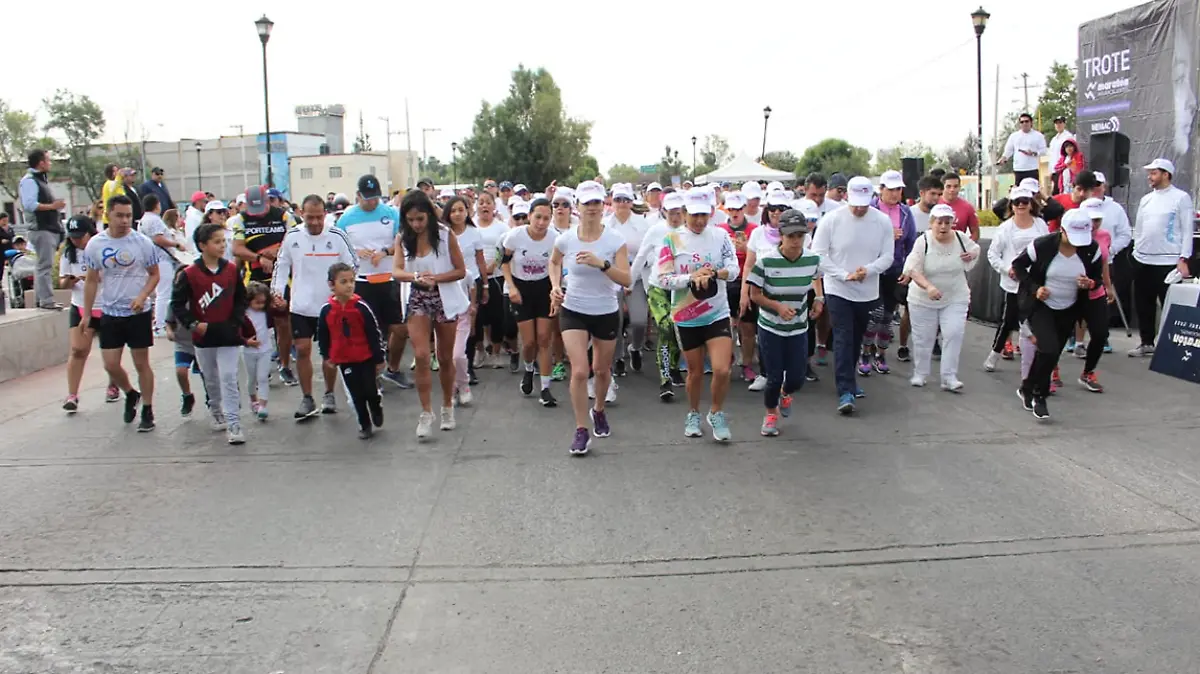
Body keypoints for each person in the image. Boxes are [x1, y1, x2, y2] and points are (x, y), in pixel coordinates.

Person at [548, 180, 631, 455]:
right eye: (587, 203)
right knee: (580, 371)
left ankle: (599, 410)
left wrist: (602, 264)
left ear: (602, 204)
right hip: (573, 310)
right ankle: (581, 429)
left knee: (601, 370)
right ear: (577, 207)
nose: (592, 208)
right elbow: (554, 261)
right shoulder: (566, 238)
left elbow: (626, 278)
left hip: (606, 310)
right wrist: (555, 286)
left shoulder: (615, 240)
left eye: (596, 203)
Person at [656, 187, 739, 442]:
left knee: (722, 369)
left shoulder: (720, 236)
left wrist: (714, 274)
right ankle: (693, 413)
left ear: (712, 212)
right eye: (694, 215)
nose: (700, 221)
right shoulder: (672, 239)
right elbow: (663, 278)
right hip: (686, 314)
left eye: (704, 215)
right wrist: (691, 278)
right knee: (694, 372)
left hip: (717, 312)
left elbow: (734, 268)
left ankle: (716, 412)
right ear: (683, 213)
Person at [809, 176, 894, 414]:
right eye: (855, 202)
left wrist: (868, 271)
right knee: (844, 336)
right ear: (846, 195)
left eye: (864, 203)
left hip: (867, 290)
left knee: (857, 337)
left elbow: (888, 256)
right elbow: (819, 254)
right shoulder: (832, 220)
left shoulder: (882, 221)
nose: (859, 208)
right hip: (838, 289)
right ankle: (845, 389)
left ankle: (850, 381)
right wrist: (843, 275)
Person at [271, 194, 358, 419]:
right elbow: (281, 267)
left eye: (319, 217)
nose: (315, 222)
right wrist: (277, 293)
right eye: (310, 217)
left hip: (330, 306)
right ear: (301, 213)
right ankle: (307, 397)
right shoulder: (292, 236)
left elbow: (353, 264)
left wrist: (344, 289)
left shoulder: (337, 235)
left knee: (330, 355)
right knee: (302, 349)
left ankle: (329, 393)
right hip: (301, 305)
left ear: (325, 215)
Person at [1012, 210, 1104, 419]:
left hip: (1070, 307)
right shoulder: (1042, 245)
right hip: (1041, 305)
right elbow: (1018, 266)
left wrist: (1090, 284)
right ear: (1062, 230)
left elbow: (1096, 277)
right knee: (1049, 348)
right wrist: (1035, 288)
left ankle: (1026, 387)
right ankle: (1040, 395)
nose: (1077, 244)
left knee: (1051, 353)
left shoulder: (1091, 249)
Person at [80, 194, 160, 431]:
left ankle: (147, 408)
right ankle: (130, 392)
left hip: (137, 312)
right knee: (111, 364)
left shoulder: (142, 243)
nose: (125, 220)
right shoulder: (96, 244)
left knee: (141, 363)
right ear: (109, 215)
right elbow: (91, 280)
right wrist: (86, 314)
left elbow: (155, 274)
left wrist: (143, 296)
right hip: (111, 312)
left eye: (129, 216)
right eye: (120, 216)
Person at [392, 191, 468, 439]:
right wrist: (416, 277)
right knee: (422, 355)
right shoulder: (403, 239)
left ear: (429, 216)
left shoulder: (445, 236)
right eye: (411, 219)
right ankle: (426, 412)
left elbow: (460, 270)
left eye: (420, 219)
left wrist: (436, 279)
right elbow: (396, 270)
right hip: (417, 298)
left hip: (444, 297)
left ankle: (447, 405)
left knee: (445, 358)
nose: (416, 224)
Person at [171, 222, 252, 445]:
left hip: (228, 334)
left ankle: (234, 422)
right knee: (211, 378)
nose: (221, 246)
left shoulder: (232, 270)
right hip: (203, 336)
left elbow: (241, 298)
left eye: (223, 241)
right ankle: (215, 408)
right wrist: (193, 324)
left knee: (228, 376)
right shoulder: (189, 274)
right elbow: (177, 304)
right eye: (216, 242)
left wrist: (235, 323)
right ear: (202, 245)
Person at [746, 209, 825, 437]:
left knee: (797, 378)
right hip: (771, 327)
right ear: (781, 234)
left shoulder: (812, 258)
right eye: (791, 236)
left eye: (800, 235)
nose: (795, 241)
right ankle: (770, 414)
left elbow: (816, 276)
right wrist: (778, 307)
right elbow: (755, 294)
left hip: (799, 327)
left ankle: (786, 393)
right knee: (773, 376)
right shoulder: (766, 262)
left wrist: (819, 298)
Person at [334, 174, 413, 391]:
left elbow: (404, 241)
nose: (372, 202)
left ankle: (393, 369)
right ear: (358, 195)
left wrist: (385, 251)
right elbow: (338, 249)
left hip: (388, 278)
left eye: (375, 198)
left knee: (399, 328)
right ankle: (372, 373)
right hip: (360, 280)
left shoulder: (391, 213)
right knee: (367, 329)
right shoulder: (346, 219)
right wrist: (355, 251)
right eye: (367, 198)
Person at [903, 204, 981, 390]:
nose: (943, 226)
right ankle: (920, 373)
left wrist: (971, 255)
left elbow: (976, 249)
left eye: (948, 222)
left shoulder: (961, 238)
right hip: (922, 297)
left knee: (953, 333)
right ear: (932, 223)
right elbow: (912, 269)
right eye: (939, 222)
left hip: (955, 294)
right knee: (924, 337)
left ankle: (949, 376)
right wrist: (929, 287)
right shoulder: (924, 241)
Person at [1128, 158, 1195, 357]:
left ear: (1166, 174)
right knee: (1143, 303)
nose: (1150, 177)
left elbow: (1187, 228)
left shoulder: (1181, 198)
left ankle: (1171, 346)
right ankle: (1146, 342)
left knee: (1169, 303)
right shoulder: (1146, 199)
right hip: (1143, 259)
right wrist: (1136, 251)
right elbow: (1139, 227)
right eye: (1150, 173)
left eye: (1154, 173)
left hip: (1168, 261)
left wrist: (1184, 257)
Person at [232, 185, 298, 385]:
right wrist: (259, 257)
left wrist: (277, 252)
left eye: (262, 206)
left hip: (281, 277)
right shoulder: (241, 219)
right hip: (254, 278)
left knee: (283, 322)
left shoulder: (285, 216)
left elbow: (295, 241)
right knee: (254, 324)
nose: (258, 212)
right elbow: (237, 248)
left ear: (269, 201)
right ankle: (260, 367)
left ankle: (285, 366)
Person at [317, 263, 386, 440]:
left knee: (370, 389)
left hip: (365, 357)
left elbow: (374, 332)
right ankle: (364, 424)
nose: (349, 285)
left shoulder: (361, 307)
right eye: (343, 281)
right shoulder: (327, 310)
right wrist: (327, 356)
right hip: (344, 359)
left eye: (352, 281)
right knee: (356, 394)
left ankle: (376, 405)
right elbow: (323, 335)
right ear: (332, 284)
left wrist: (379, 358)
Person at [984, 187, 1049, 371]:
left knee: (1038, 321)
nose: (1021, 205)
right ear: (1011, 206)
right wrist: (1007, 269)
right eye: (1017, 202)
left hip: (1036, 282)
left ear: (1031, 204)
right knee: (1008, 321)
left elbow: (1047, 249)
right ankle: (994, 354)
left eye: (1025, 201)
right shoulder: (1005, 228)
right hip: (1013, 284)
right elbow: (993, 254)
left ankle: (1038, 362)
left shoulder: (1040, 225)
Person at [502, 198, 559, 407]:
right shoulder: (515, 236)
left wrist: (555, 288)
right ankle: (528, 368)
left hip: (544, 287)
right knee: (529, 342)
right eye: (538, 217)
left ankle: (545, 388)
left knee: (544, 339)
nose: (541, 222)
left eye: (546, 218)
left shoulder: (555, 238)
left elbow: (557, 265)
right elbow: (504, 263)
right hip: (521, 288)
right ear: (529, 216)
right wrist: (512, 288)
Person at [59, 215, 119, 411]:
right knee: (78, 350)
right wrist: (71, 280)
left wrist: (95, 277)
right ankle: (72, 395)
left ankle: (113, 384)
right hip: (81, 305)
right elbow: (62, 283)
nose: (77, 241)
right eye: (73, 237)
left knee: (110, 352)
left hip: (106, 306)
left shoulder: (104, 248)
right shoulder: (69, 254)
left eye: (80, 236)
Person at [631, 191, 687, 400]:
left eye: (679, 212)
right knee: (664, 326)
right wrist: (628, 282)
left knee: (677, 329)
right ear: (663, 212)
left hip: (681, 288)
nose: (675, 217)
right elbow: (640, 257)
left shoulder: (689, 232)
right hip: (658, 287)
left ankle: (674, 366)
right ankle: (665, 379)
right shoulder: (655, 231)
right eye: (671, 212)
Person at [861, 170, 917, 376]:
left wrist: (909, 269)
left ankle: (881, 354)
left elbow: (911, 242)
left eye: (899, 189)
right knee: (873, 315)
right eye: (891, 189)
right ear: (881, 190)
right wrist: (886, 235)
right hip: (873, 269)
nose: (895, 194)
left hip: (895, 268)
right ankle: (865, 352)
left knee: (886, 317)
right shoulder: (870, 209)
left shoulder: (905, 212)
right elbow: (861, 237)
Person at [740, 191, 791, 391]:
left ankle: (785, 373)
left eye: (781, 209)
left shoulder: (794, 232)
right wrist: (745, 293)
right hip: (761, 292)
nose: (776, 213)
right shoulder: (757, 233)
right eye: (772, 209)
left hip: (787, 292)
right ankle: (765, 374)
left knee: (787, 334)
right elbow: (748, 266)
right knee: (764, 334)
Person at [896, 175, 945, 362]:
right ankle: (903, 345)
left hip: (936, 271)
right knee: (910, 311)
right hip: (913, 271)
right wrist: (907, 271)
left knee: (938, 307)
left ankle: (933, 341)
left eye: (939, 194)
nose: (935, 198)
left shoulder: (941, 216)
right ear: (922, 193)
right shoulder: (909, 214)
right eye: (933, 194)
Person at [443, 194, 486, 404]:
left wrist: (483, 287)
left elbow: (479, 261)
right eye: (453, 210)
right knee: (447, 350)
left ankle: (465, 376)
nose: (458, 214)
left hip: (467, 292)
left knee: (463, 344)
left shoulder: (474, 233)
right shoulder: (442, 235)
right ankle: (454, 384)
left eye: (462, 209)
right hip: (445, 298)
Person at [604, 183, 650, 376]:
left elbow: (647, 254)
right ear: (611, 201)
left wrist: (631, 278)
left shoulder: (643, 224)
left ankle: (636, 348)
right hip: (611, 279)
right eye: (618, 199)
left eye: (626, 200)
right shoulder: (605, 224)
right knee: (615, 321)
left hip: (636, 277)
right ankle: (618, 357)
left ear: (632, 202)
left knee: (639, 321)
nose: (622, 203)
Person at [1072, 198, 1115, 392]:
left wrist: (1108, 286)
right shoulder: (1069, 235)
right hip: (1070, 293)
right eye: (1090, 220)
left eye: (1097, 220)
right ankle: (1051, 370)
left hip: (1095, 291)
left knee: (1100, 333)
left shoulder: (1105, 236)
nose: (1094, 224)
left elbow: (1104, 263)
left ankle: (1088, 372)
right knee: (1058, 334)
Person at [18, 149, 66, 310]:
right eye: (48, 160)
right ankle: (46, 300)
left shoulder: (40, 180)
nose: (50, 163)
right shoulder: (30, 181)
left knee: (44, 265)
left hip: (48, 228)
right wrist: (53, 206)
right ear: (41, 163)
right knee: (44, 266)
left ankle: (42, 299)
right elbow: (30, 204)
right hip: (40, 228)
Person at [718, 192, 759, 382]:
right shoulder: (719, 229)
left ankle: (747, 364)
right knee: (725, 325)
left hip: (747, 280)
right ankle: (727, 357)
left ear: (744, 209)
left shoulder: (754, 229)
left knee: (748, 327)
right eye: (731, 209)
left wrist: (745, 250)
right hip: (725, 282)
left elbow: (761, 259)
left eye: (738, 209)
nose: (734, 213)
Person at [138, 193, 186, 335]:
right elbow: (159, 239)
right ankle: (160, 325)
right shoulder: (154, 220)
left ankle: (160, 324)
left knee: (161, 293)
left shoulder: (143, 220)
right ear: (157, 205)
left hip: (153, 258)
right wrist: (175, 244)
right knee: (164, 293)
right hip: (161, 259)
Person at [473, 191, 509, 369]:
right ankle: (479, 351)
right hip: (475, 277)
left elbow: (507, 248)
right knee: (477, 317)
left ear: (494, 206)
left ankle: (495, 353)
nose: (484, 206)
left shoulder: (501, 227)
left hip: (496, 276)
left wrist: (494, 264)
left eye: (488, 202)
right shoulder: (470, 225)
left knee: (497, 316)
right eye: (481, 202)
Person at [163, 269, 199, 419]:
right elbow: (168, 322)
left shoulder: (200, 301)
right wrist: (169, 331)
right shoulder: (173, 304)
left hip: (200, 342)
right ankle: (187, 395)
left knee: (207, 375)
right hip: (182, 343)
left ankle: (212, 399)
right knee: (181, 371)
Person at [243, 282, 275, 420]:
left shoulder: (266, 313)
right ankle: (253, 400)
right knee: (251, 379)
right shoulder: (243, 314)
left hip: (265, 349)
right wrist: (246, 341)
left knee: (262, 378)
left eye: (263, 302)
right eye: (257, 302)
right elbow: (237, 331)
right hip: (248, 351)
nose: (260, 306)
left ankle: (263, 405)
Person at [998, 112, 1047, 185]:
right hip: (1019, 169)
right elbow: (1009, 150)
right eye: (1022, 122)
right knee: (1019, 192)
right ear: (1019, 124)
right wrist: (1004, 158)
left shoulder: (1038, 136)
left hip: (1032, 169)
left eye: (1026, 121)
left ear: (1031, 123)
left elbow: (1043, 151)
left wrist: (1033, 153)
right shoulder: (1014, 136)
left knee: (1033, 193)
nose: (1024, 123)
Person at [939, 173, 980, 241]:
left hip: (958, 249)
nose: (952, 189)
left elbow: (975, 233)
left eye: (955, 186)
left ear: (960, 187)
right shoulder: (934, 204)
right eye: (948, 186)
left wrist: (967, 247)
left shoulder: (967, 207)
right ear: (942, 187)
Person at [1047, 116, 1076, 195]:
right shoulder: (1054, 139)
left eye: (1060, 123)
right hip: (1054, 170)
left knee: (1062, 193)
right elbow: (1051, 156)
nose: (1058, 125)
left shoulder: (1068, 136)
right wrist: (1050, 171)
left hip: (1063, 170)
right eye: (1056, 123)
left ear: (1064, 124)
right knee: (1055, 194)